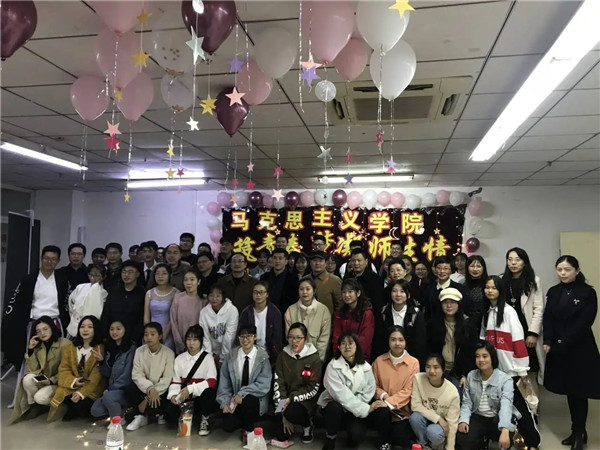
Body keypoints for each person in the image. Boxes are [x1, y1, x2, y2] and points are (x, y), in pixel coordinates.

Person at [543, 255, 600, 450]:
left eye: (567, 269)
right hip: (559, 350)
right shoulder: (553, 291)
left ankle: (579, 433)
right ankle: (576, 431)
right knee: (569, 390)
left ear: (577, 270)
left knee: (579, 392)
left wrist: (563, 341)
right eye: (559, 269)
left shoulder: (587, 292)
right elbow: (548, 318)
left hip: (580, 348)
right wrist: (548, 340)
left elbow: (585, 322)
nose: (563, 273)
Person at [481, 275, 540, 450]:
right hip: (494, 371)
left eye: (494, 288)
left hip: (511, 370)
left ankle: (533, 442)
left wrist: (520, 370)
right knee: (503, 407)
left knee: (520, 407)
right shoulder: (487, 312)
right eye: (487, 287)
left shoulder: (508, 312)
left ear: (500, 291)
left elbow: (518, 341)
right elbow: (483, 340)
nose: (490, 291)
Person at [2, 245, 70, 371]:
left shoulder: (62, 280)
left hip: (55, 322)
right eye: (46, 258)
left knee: (56, 357)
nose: (49, 262)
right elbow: (20, 303)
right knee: (32, 356)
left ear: (58, 261)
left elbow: (66, 304)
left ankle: (54, 382)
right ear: (41, 258)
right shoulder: (29, 279)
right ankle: (28, 381)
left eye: (53, 259)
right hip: (35, 323)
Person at [318, 331, 376, 450]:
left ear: (357, 346)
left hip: (356, 410)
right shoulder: (332, 366)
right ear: (339, 347)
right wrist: (362, 408)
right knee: (334, 407)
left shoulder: (366, 367)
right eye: (343, 343)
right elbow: (340, 394)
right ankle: (330, 437)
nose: (347, 346)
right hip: (337, 408)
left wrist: (357, 407)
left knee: (357, 436)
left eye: (350, 343)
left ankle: (351, 435)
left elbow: (369, 391)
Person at [457, 342, 519, 450]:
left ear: (492, 358)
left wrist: (505, 429)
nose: (481, 360)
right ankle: (481, 443)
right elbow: (467, 402)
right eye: (477, 356)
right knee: (463, 438)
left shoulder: (505, 380)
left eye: (485, 356)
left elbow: (506, 405)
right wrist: (463, 420)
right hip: (477, 416)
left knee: (506, 437)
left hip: (497, 417)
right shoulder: (471, 375)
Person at [217, 324, 272, 444]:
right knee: (228, 426)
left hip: (254, 400)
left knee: (249, 401)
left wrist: (242, 393)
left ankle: (248, 429)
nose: (245, 340)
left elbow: (264, 384)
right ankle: (242, 421)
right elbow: (224, 382)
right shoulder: (231, 356)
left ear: (255, 337)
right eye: (242, 337)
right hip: (235, 401)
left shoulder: (262, 357)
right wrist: (225, 403)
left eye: (249, 336)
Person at [501, 247, 545, 393]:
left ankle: (532, 404)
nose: (513, 263)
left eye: (517, 260)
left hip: (526, 330)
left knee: (529, 370)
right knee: (510, 368)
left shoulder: (534, 281)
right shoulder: (502, 280)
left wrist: (533, 333)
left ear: (524, 262)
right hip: (508, 331)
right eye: (510, 260)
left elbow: (539, 309)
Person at [10, 316, 70, 423]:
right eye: (38, 331)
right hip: (44, 379)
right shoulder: (39, 345)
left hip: (59, 382)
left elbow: (68, 369)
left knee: (40, 397)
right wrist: (30, 350)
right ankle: (35, 406)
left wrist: (51, 380)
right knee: (27, 379)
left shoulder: (65, 344)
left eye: (45, 329)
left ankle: (60, 404)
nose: (42, 333)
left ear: (52, 328)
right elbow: (31, 369)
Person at [369, 325, 420, 450]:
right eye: (393, 339)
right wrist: (384, 396)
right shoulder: (379, 361)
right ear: (388, 341)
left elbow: (409, 390)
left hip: (402, 412)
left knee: (400, 440)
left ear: (406, 342)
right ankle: (383, 442)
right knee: (382, 413)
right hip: (382, 409)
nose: (397, 343)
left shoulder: (413, 363)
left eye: (401, 340)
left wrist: (389, 402)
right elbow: (372, 385)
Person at [273, 322, 322, 445]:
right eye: (290, 337)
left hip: (304, 400)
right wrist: (282, 413)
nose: (294, 341)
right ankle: (286, 415)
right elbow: (279, 384)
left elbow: (313, 388)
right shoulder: (282, 356)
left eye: (298, 338)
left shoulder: (314, 358)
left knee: (292, 411)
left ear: (305, 339)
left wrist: (291, 399)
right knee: (281, 435)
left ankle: (307, 425)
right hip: (285, 399)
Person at [48, 316, 105, 421]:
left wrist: (80, 393)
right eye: (82, 327)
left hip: (92, 386)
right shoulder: (71, 347)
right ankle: (72, 407)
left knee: (83, 406)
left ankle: (75, 408)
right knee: (61, 395)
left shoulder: (100, 348)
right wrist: (74, 381)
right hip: (73, 384)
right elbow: (63, 368)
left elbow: (96, 376)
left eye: (90, 327)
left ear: (96, 329)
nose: (85, 330)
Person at [164, 325, 217, 436]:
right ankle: (187, 418)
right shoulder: (179, 358)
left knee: (209, 393)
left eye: (195, 339)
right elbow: (175, 381)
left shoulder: (208, 358)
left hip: (199, 397)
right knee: (169, 413)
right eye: (188, 339)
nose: (191, 343)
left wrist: (191, 389)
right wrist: (174, 395)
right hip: (184, 397)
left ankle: (204, 419)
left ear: (201, 341)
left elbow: (211, 381)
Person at [126, 322, 175, 431]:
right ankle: (141, 416)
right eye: (146, 334)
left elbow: (167, 379)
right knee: (129, 389)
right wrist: (150, 388)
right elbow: (137, 374)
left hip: (160, 391)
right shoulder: (139, 351)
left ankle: (149, 414)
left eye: (153, 334)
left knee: (161, 404)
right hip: (144, 389)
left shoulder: (168, 353)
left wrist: (148, 397)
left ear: (160, 336)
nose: (149, 337)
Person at [427, 288, 477, 392]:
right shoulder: (432, 324)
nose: (449, 306)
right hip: (437, 370)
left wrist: (465, 374)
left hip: (458, 373)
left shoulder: (468, 325)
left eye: (453, 302)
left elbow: (471, 352)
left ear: (459, 304)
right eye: (445, 302)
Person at [410, 354, 460, 450]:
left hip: (439, 427)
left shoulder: (452, 391)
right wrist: (438, 418)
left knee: (433, 432)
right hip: (425, 418)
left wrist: (450, 447)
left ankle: (435, 447)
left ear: (443, 369)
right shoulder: (418, 378)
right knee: (415, 418)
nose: (431, 371)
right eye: (428, 367)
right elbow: (415, 405)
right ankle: (423, 444)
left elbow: (452, 423)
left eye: (436, 367)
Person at [90, 320, 135, 422]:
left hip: (125, 390)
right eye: (112, 329)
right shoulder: (110, 348)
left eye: (118, 329)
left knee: (108, 397)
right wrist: (102, 361)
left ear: (125, 330)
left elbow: (127, 377)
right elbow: (107, 374)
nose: (115, 332)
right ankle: (124, 411)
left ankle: (116, 421)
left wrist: (110, 389)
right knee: (95, 410)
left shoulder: (131, 349)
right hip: (112, 390)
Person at [378, 280, 426, 365]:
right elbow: (380, 339)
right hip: (387, 358)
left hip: (410, 359)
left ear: (408, 295)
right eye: (394, 291)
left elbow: (419, 342)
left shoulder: (416, 314)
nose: (398, 295)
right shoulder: (383, 312)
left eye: (402, 291)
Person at [284, 277, 331, 361]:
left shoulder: (324, 311)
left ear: (314, 291)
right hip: (294, 358)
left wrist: (317, 361)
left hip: (316, 359)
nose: (304, 292)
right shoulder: (290, 310)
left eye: (308, 289)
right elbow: (289, 337)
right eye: (301, 289)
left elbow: (324, 341)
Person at [100, 261, 145, 345]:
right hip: (112, 337)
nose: (126, 275)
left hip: (133, 339)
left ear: (137, 274)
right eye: (124, 272)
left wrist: (134, 337)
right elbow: (106, 314)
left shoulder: (143, 293)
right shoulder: (114, 292)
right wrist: (106, 334)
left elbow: (142, 318)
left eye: (130, 272)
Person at [239, 280, 283, 364]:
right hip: (250, 352)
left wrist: (274, 356)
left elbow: (277, 339)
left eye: (261, 292)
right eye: (255, 292)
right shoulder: (246, 313)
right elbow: (242, 334)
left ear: (267, 294)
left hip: (268, 354)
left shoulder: (274, 312)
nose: (258, 295)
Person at [332, 278, 375, 361]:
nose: (346, 295)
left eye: (350, 292)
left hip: (360, 356)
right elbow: (336, 337)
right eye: (344, 292)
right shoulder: (339, 312)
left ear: (358, 293)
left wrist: (352, 355)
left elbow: (365, 339)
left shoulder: (367, 313)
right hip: (341, 355)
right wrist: (340, 353)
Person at [199, 285, 239, 369]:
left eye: (218, 296)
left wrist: (223, 358)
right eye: (211, 295)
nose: (214, 299)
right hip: (212, 352)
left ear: (223, 297)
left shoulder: (232, 310)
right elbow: (205, 336)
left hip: (229, 352)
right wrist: (209, 357)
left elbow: (229, 336)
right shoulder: (204, 312)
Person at [170, 268, 207, 354]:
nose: (188, 283)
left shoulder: (204, 300)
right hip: (181, 345)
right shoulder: (178, 298)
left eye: (192, 279)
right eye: (186, 280)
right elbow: (173, 321)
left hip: (199, 345)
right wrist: (180, 344)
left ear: (198, 282)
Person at [144, 263, 179, 351]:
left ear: (170, 275)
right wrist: (150, 334)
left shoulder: (176, 293)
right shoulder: (149, 293)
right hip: (151, 333)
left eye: (164, 273)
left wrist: (164, 335)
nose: (160, 276)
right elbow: (146, 317)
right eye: (157, 273)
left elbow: (173, 318)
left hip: (168, 332)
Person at [67, 265, 108, 338]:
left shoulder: (103, 293)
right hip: (75, 322)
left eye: (97, 276)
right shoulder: (80, 287)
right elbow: (71, 301)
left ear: (103, 277)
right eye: (91, 275)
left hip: (90, 326)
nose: (92, 278)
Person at [422, 255, 469, 320]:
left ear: (451, 270)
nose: (442, 271)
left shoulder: (460, 289)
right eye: (439, 268)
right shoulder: (429, 289)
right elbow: (427, 312)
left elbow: (464, 310)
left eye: (445, 268)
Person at [347, 248, 385, 315]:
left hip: (369, 315)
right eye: (353, 260)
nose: (356, 263)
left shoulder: (375, 279)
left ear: (366, 261)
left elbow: (378, 303)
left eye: (359, 260)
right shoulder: (348, 276)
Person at [260, 248, 298, 315]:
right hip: (266, 313)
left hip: (286, 314)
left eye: (280, 258)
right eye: (275, 258)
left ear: (286, 261)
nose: (277, 261)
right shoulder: (264, 277)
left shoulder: (293, 278)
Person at [310, 250, 342, 316]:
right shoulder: (305, 280)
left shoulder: (334, 280)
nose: (317, 263)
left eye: (320, 261)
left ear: (325, 263)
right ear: (310, 262)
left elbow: (340, 304)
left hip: (328, 320)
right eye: (315, 260)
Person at [464, 255, 488, 327]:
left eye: (478, 266)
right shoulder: (463, 285)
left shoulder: (489, 284)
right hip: (468, 323)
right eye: (472, 266)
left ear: (483, 268)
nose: (475, 269)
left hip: (486, 322)